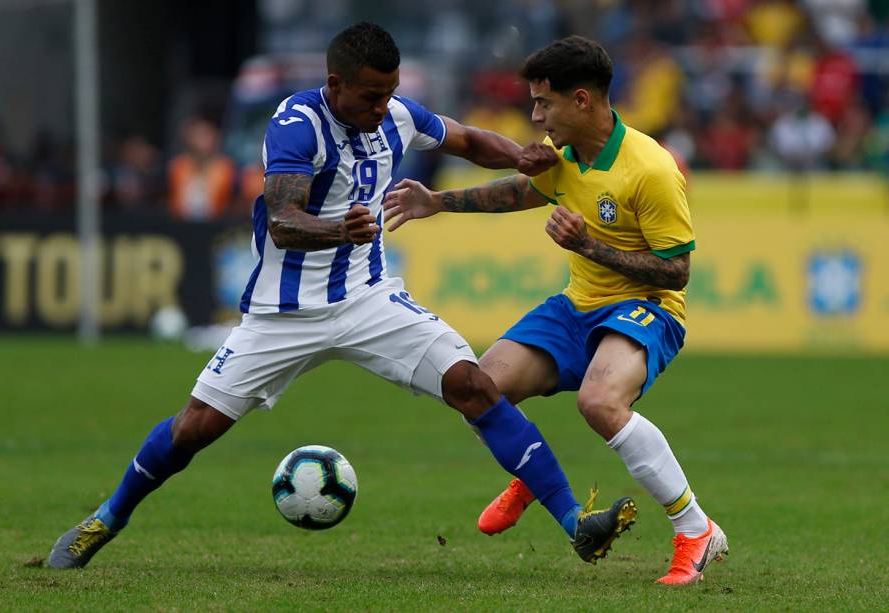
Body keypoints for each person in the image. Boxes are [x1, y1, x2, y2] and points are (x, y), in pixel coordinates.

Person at [47, 22, 635, 570]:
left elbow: (465, 139)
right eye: (371, 96)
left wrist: (522, 154)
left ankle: (575, 523)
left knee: (473, 385)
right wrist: (338, 230)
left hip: (369, 298)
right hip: (283, 312)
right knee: (193, 428)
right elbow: (282, 219)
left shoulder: (396, 114)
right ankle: (106, 519)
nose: (383, 108)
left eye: (390, 94)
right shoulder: (296, 123)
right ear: (335, 84)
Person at [384, 35, 728, 585]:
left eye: (544, 103)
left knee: (599, 402)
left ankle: (695, 529)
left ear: (583, 101)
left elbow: (678, 271)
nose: (536, 115)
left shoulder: (651, 170)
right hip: (577, 307)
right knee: (476, 386)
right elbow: (520, 191)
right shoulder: (564, 159)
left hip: (647, 307)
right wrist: (437, 202)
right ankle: (534, 474)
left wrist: (589, 246)